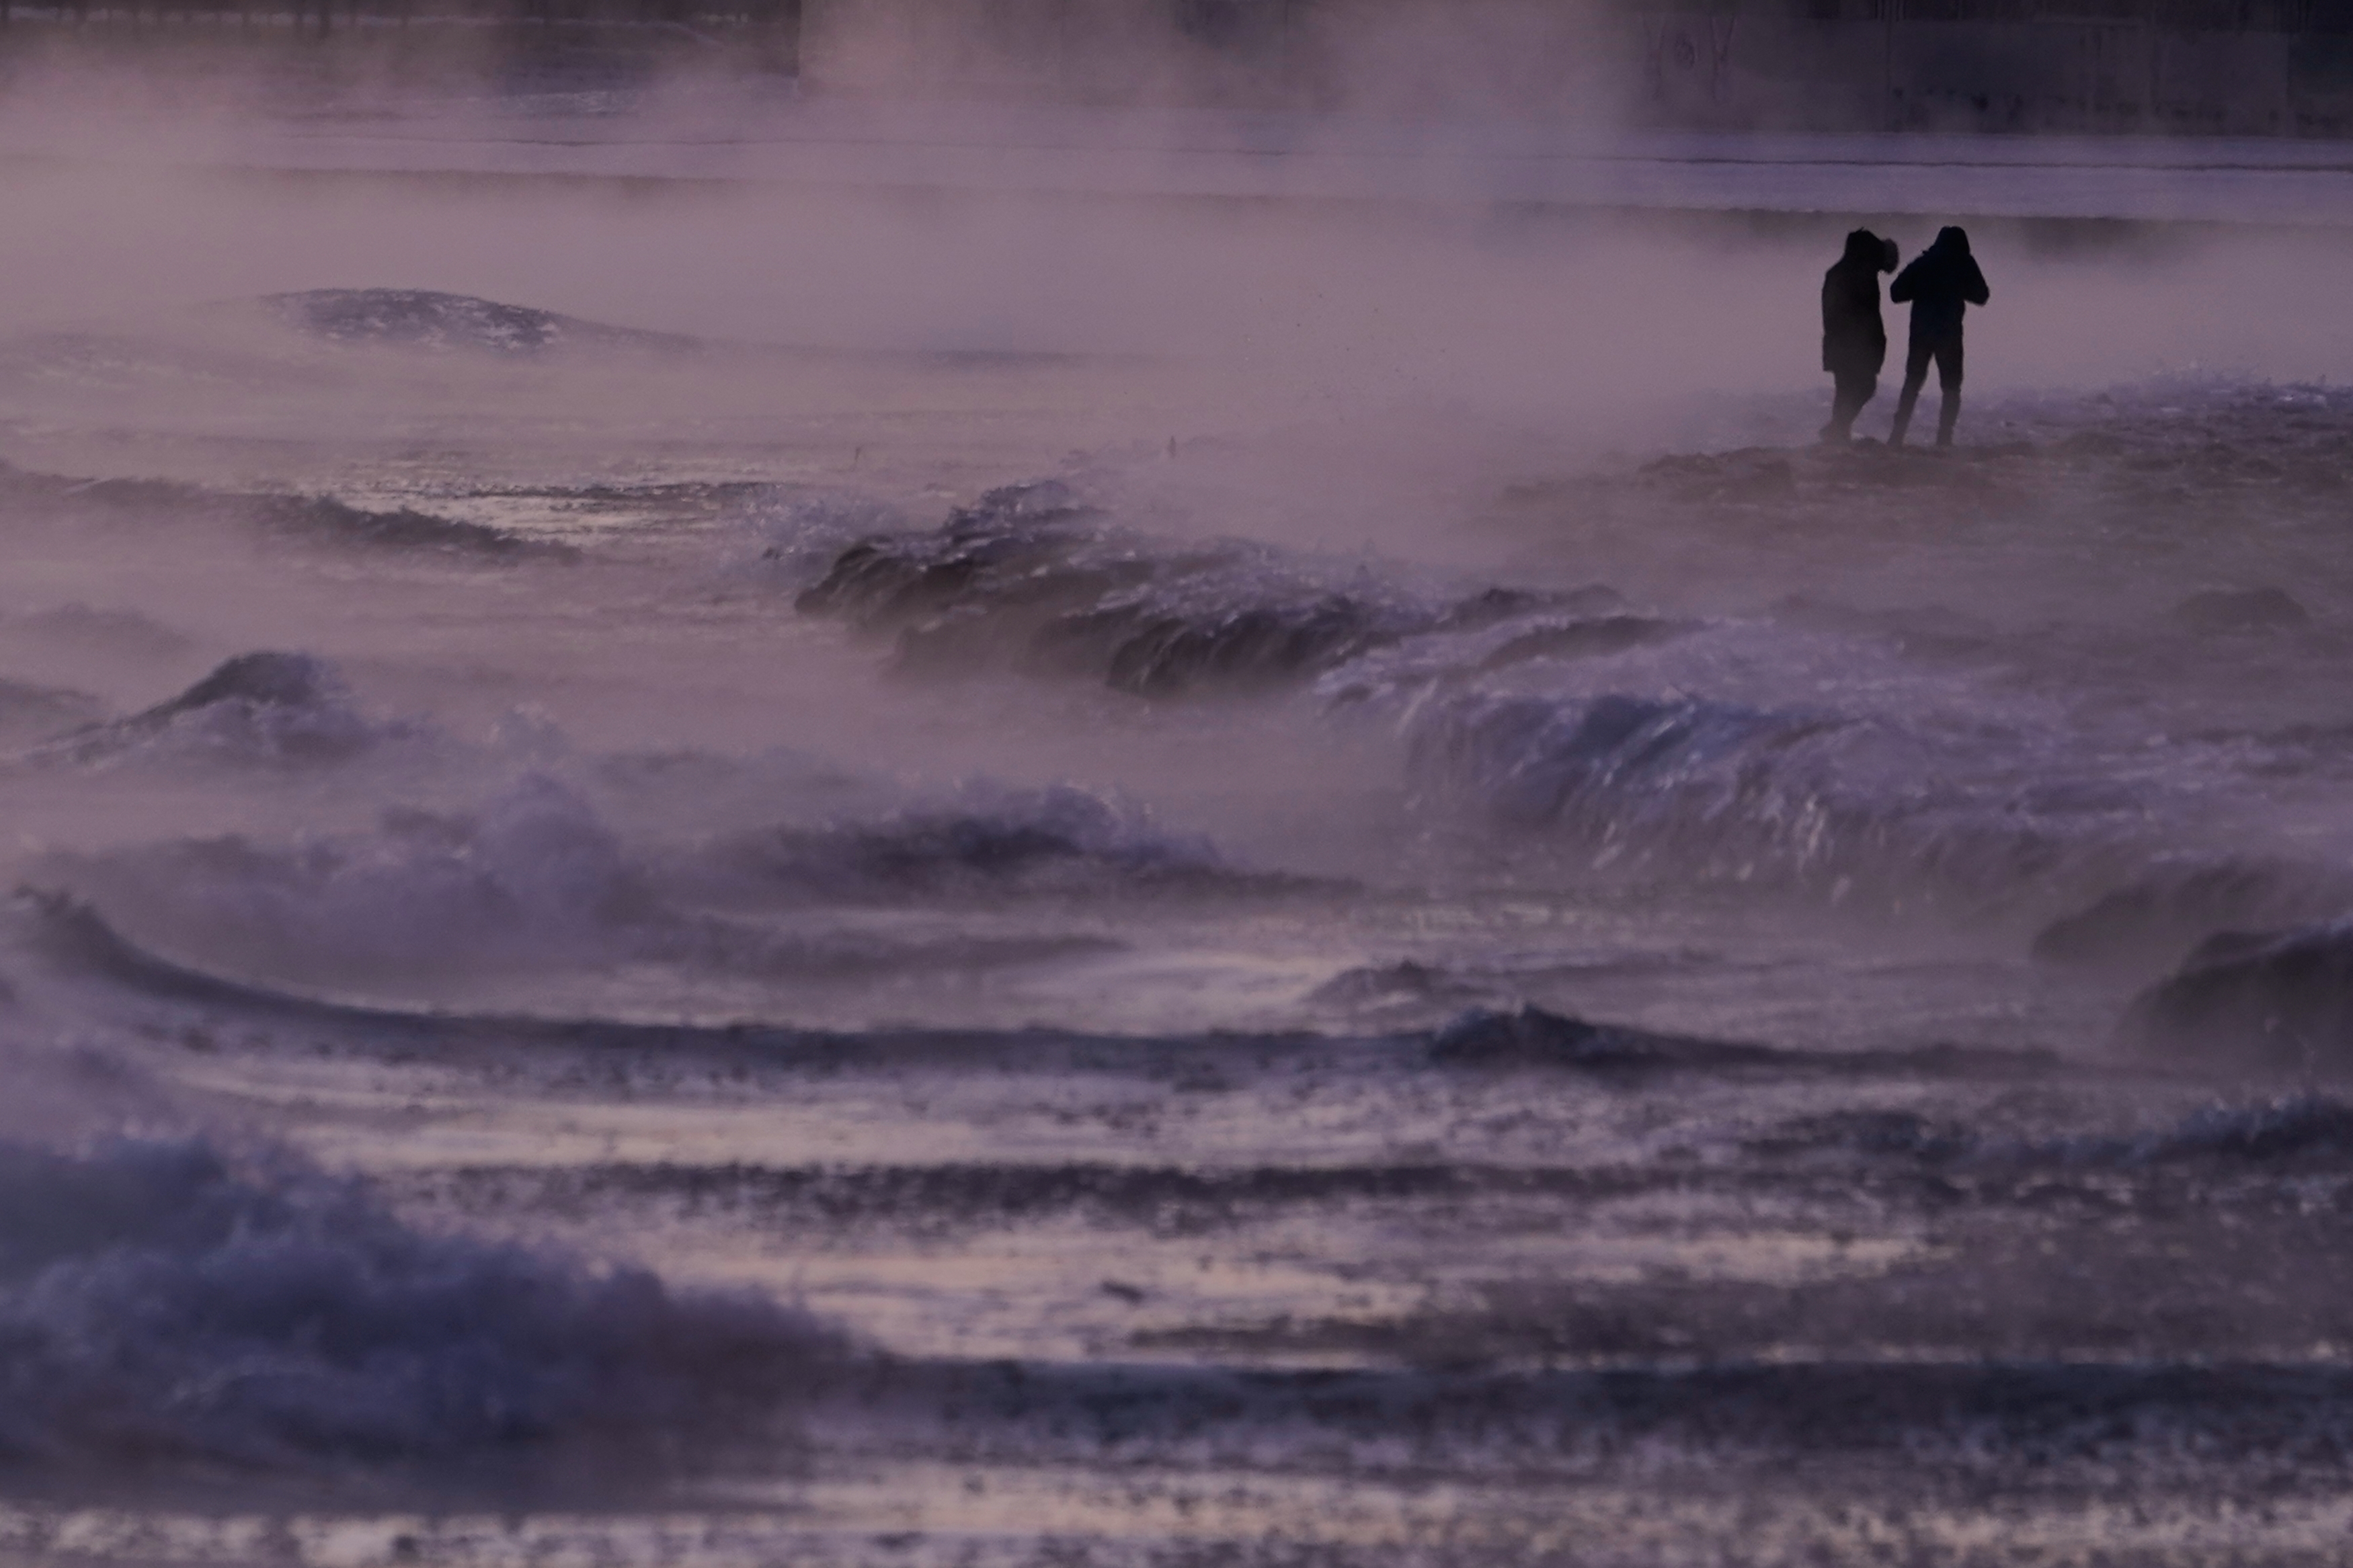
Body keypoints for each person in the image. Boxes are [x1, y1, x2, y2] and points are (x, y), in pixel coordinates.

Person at [1887, 225, 1991, 449]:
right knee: (1951, 389)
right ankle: (1944, 439)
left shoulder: (1924, 262)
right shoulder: (1964, 263)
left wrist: (1922, 290)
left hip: (1921, 334)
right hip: (1949, 335)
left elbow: (1896, 292)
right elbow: (1982, 296)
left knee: (1912, 384)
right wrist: (1958, 288)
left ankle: (1896, 437)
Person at [1820, 229, 1899, 445]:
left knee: (1845, 390)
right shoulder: (1863, 275)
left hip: (1838, 342)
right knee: (1865, 386)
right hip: (1856, 344)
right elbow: (1868, 315)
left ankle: (1838, 434)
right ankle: (1836, 429)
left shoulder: (1837, 273)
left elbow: (1830, 313)